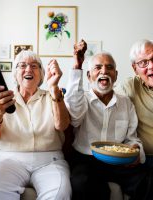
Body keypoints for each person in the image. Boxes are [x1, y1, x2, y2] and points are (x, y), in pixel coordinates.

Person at [0, 50, 72, 200]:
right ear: (15, 74)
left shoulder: (53, 96)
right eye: (22, 66)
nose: (28, 69)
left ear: (42, 74)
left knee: (59, 192)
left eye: (34, 66)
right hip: (7, 158)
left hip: (49, 160)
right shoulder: (2, 98)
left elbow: (62, 125)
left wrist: (54, 89)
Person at [64, 39, 146, 200]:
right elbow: (73, 116)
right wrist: (77, 66)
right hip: (86, 160)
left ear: (116, 75)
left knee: (147, 180)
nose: (104, 71)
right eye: (98, 67)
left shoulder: (126, 103)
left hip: (118, 161)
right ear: (88, 76)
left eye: (110, 68)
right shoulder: (82, 99)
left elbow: (131, 138)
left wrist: (136, 150)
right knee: (82, 183)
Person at [115, 39, 153, 199]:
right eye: (143, 63)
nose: (151, 66)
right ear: (135, 68)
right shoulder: (128, 88)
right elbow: (105, 105)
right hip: (145, 160)